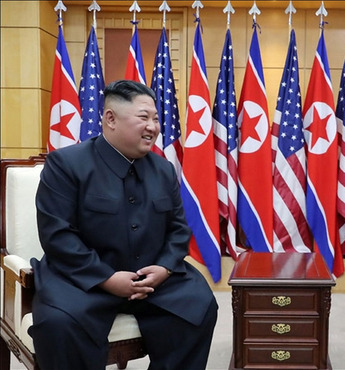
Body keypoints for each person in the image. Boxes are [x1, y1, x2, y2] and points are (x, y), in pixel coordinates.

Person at [29, 80, 218, 370]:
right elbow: (58, 236)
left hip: (152, 278)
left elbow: (179, 229)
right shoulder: (66, 164)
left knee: (200, 304)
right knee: (58, 324)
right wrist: (107, 279)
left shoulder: (163, 169)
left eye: (156, 119)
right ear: (110, 119)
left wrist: (165, 268)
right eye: (143, 118)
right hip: (84, 279)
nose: (153, 127)